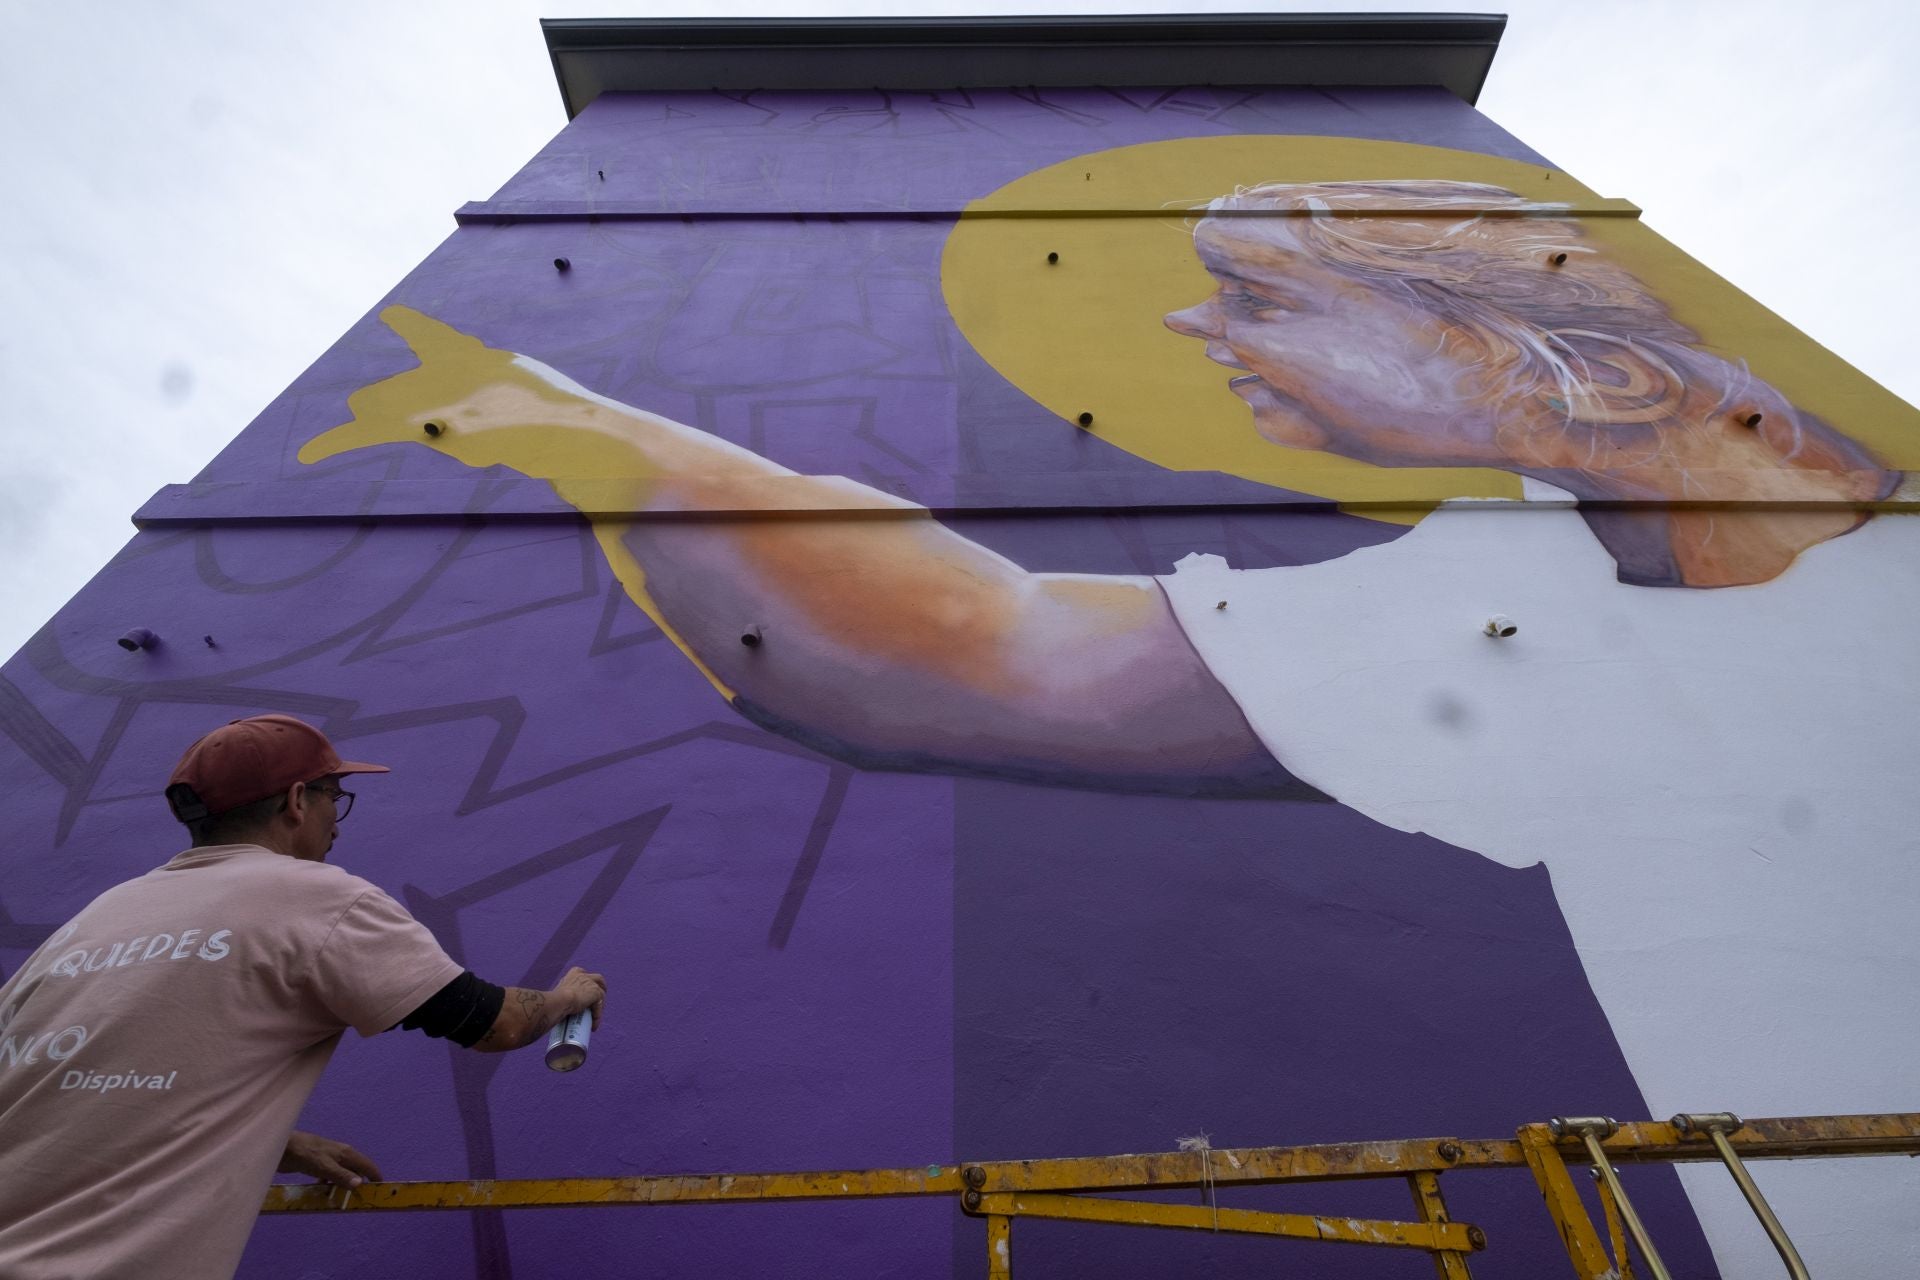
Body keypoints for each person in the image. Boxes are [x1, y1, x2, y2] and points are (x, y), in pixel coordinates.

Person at [295, 181, 1917, 1277]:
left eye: (1258, 297)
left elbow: (956, 642)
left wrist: (565, 425)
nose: (1195, 329)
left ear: (1574, 369)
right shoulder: (1522, 591)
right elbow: (957, 642)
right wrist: (566, 425)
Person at [0, 713, 608, 1280]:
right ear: (297, 800)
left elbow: (68, 1080)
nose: (336, 820)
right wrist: (566, 996)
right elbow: (496, 1024)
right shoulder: (318, 898)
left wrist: (275, 1145)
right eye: (333, 796)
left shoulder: (100, 915)